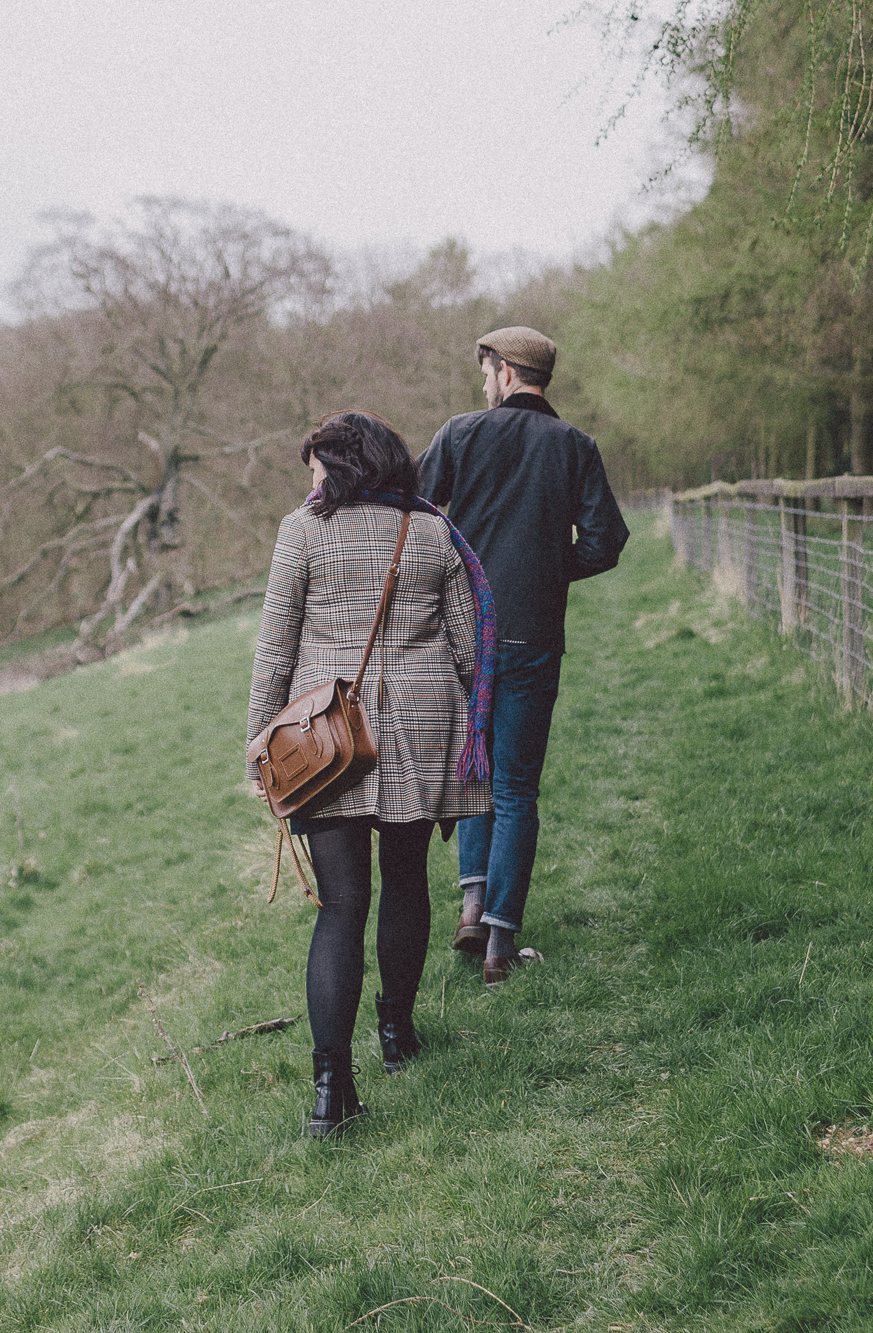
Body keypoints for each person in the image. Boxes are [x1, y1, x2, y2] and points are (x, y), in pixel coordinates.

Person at [247, 410, 495, 1137]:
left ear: (342, 467)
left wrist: (260, 742)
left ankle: (332, 1093)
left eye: (317, 468)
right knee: (407, 879)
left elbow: (275, 645)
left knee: (341, 903)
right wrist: (463, 714)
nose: (311, 482)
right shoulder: (432, 532)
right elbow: (469, 647)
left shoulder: (303, 531)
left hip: (326, 736)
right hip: (422, 726)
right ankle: (396, 1033)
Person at [416, 327, 629, 986]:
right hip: (532, 636)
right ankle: (499, 944)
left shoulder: (459, 434)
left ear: (506, 371)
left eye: (486, 372)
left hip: (463, 637)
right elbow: (605, 540)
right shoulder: (574, 446)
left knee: (473, 774)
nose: (483, 384)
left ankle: (471, 907)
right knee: (514, 788)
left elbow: (413, 511)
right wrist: (546, 571)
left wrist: (452, 571)